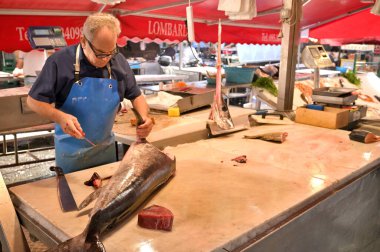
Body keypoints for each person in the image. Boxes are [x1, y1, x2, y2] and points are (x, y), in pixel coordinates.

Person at [27, 13, 154, 173]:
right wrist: (60, 116)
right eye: (100, 53)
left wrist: (144, 118)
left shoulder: (119, 61)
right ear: (83, 41)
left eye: (111, 52)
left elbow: (136, 95)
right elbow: (33, 101)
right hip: (71, 154)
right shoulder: (59, 62)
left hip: (105, 151)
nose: (106, 59)